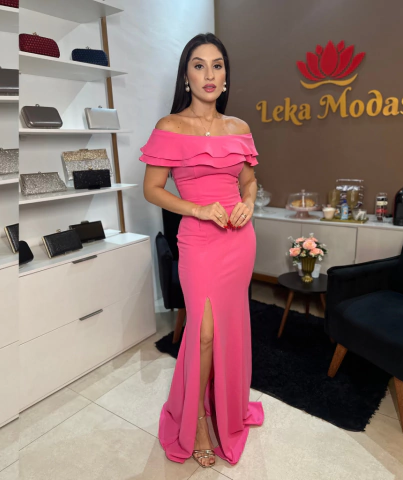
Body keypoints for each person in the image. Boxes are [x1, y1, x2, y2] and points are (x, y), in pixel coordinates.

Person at [139, 33, 264, 468]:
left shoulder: (239, 129)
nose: (209, 74)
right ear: (186, 76)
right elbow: (152, 189)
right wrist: (197, 208)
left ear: (226, 77)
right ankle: (195, 423)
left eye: (217, 65)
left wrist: (248, 203)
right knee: (204, 333)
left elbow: (249, 179)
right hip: (198, 238)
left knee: (230, 328)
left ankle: (226, 408)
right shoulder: (169, 127)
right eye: (199, 65)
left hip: (238, 240)